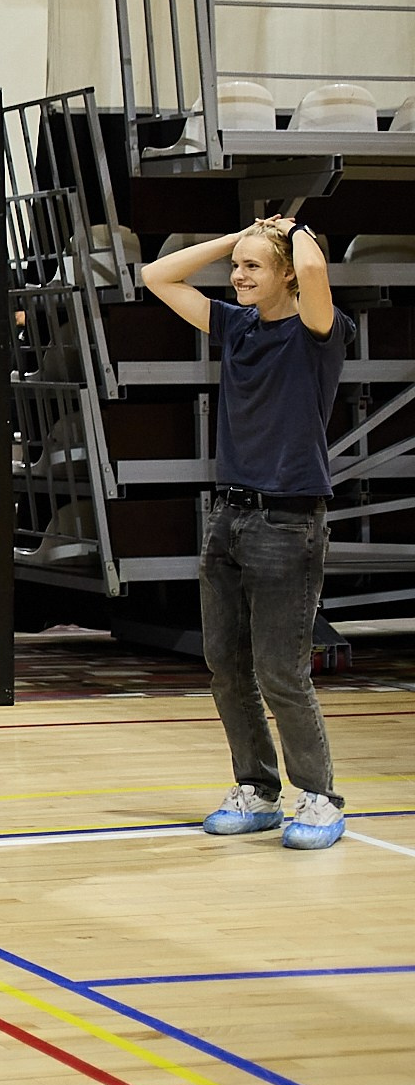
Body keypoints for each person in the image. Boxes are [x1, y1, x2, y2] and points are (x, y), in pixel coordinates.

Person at [143, 218, 353, 850]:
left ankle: (317, 796)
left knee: (281, 671)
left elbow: (316, 271)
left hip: (289, 519)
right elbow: (158, 275)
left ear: (286, 273)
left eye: (254, 267)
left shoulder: (318, 332)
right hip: (229, 516)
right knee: (226, 667)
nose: (238, 276)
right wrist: (240, 236)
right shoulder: (234, 326)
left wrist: (295, 230)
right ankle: (257, 790)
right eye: (237, 265)